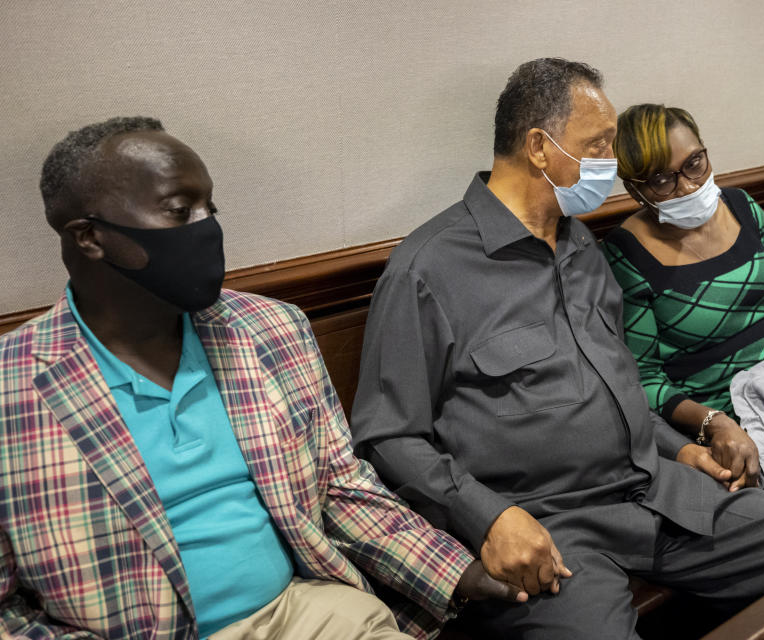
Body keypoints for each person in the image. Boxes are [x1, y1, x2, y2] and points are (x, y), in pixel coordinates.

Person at [350, 58, 764, 640]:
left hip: (656, 492)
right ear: (540, 148)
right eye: (599, 145)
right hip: (550, 529)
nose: (612, 166)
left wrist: (681, 446)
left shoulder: (583, 246)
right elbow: (387, 435)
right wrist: (488, 517)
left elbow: (619, 383)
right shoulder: (428, 268)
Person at [0, 117, 518, 640]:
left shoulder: (270, 329)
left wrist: (459, 574)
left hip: (304, 612)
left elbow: (340, 488)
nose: (207, 228)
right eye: (180, 211)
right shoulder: (11, 388)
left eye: (211, 209)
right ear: (89, 237)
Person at [602, 104, 764, 491]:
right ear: (636, 190)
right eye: (662, 179)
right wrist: (713, 422)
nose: (688, 186)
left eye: (695, 163)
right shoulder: (626, 253)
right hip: (728, 414)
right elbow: (646, 380)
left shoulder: (742, 207)